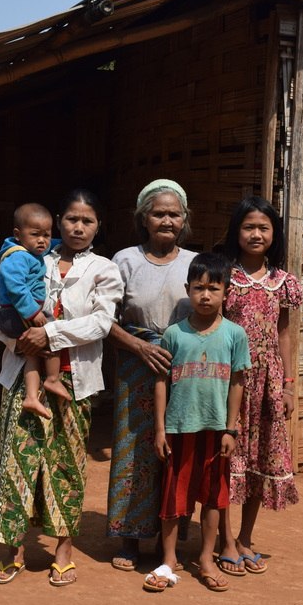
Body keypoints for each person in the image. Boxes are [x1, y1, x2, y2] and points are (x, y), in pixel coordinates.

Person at [0, 190, 123, 587]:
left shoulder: (104, 269)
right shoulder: (30, 254)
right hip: (20, 377)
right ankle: (13, 552)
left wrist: (48, 333)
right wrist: (18, 339)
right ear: (59, 220)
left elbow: (100, 324)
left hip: (75, 382)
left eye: (89, 221)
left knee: (66, 465)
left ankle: (62, 550)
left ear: (99, 226)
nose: (78, 227)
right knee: (16, 462)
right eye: (72, 219)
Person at [144, 252, 250, 593]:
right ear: (188, 289)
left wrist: (231, 429)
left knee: (214, 498)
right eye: (198, 288)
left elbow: (237, 383)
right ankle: (169, 559)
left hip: (217, 429)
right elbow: (161, 382)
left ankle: (206, 557)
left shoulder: (235, 335)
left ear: (225, 293)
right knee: (173, 498)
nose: (205, 295)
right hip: (179, 428)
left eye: (213, 289)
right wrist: (160, 428)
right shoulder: (173, 334)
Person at [106, 179, 197, 571]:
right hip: (135, 364)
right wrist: (140, 346)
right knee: (133, 450)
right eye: (158, 213)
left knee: (175, 449)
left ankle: (168, 542)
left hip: (183, 366)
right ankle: (129, 538)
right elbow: (103, 320)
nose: (167, 219)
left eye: (174, 213)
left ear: (184, 219)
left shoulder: (194, 261)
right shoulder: (124, 260)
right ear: (143, 218)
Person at [217, 196, 303, 577]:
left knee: (258, 460)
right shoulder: (223, 277)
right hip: (229, 382)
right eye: (248, 227)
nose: (256, 234)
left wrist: (287, 383)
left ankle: (245, 538)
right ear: (236, 232)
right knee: (223, 460)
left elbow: (284, 334)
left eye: (263, 228)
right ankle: (222, 539)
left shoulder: (282, 283)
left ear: (274, 234)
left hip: (267, 383)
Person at [0, 202, 68, 419]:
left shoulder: (33, 250)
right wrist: (33, 313)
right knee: (53, 334)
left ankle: (32, 397)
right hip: (15, 313)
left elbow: (56, 244)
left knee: (32, 353)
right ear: (18, 234)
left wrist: (65, 242)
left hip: (19, 314)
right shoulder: (16, 256)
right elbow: (15, 287)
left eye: (47, 234)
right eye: (35, 234)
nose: (42, 240)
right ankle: (52, 380)